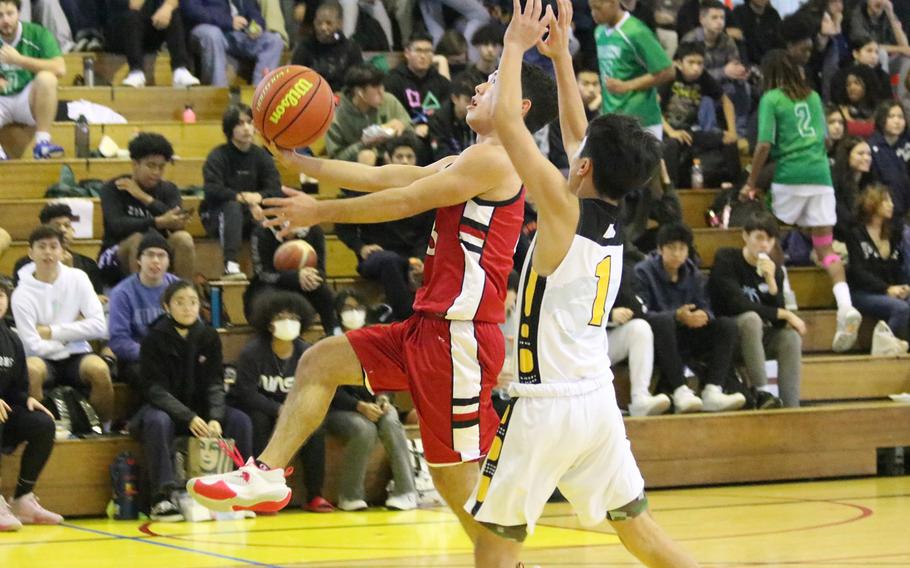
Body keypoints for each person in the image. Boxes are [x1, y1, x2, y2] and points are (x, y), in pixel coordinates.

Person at [188, 46, 558, 545]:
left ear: (520, 105)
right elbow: (393, 176)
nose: (475, 87)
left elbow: (406, 201)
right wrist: (305, 163)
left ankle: (507, 560)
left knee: (455, 480)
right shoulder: (472, 157)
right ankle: (269, 475)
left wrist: (320, 213)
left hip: (461, 339)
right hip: (430, 328)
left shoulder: (499, 160)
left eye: (491, 83)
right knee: (319, 362)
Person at [460, 2, 697, 565]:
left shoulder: (562, 208)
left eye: (582, 154)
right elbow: (576, 133)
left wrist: (515, 47)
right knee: (638, 528)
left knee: (494, 543)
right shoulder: (609, 216)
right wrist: (562, 55)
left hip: (544, 405)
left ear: (585, 168)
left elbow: (513, 127)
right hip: (596, 403)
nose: (577, 150)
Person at [742, 49, 862, 353]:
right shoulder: (812, 97)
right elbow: (825, 139)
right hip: (821, 176)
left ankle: (787, 292)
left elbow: (764, 144)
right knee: (825, 247)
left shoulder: (771, 99)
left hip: (789, 176)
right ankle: (845, 305)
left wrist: (751, 182)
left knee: (774, 234)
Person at [131, 280, 253, 522]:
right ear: (166, 306)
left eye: (193, 302)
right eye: (180, 302)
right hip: (165, 409)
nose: (187, 308)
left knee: (240, 420)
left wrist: (216, 417)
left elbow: (215, 383)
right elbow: (154, 390)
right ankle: (162, 497)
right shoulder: (154, 339)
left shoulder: (208, 335)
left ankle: (243, 491)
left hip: (202, 411)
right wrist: (188, 417)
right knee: (157, 421)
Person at [230, 291, 334, 513]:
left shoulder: (308, 353)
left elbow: (313, 389)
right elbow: (246, 393)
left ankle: (315, 494)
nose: (288, 322)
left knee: (314, 428)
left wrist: (293, 412)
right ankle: (261, 493)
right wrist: (278, 409)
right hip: (261, 408)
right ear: (268, 324)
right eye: (281, 317)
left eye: (294, 318)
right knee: (259, 422)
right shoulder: (252, 352)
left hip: (294, 408)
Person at [636, 222, 748, 412]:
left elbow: (706, 306)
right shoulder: (643, 272)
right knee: (662, 322)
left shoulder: (693, 274)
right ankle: (680, 390)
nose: (677, 254)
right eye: (672, 248)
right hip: (658, 339)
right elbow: (642, 313)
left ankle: (713, 390)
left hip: (688, 334)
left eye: (682, 248)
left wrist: (703, 314)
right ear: (660, 249)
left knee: (727, 325)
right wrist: (677, 316)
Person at [326, 290, 419, 511]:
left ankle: (406, 491)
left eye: (357, 307)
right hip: (338, 409)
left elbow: (388, 376)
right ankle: (350, 495)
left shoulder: (374, 339)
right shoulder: (329, 344)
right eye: (347, 308)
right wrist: (357, 405)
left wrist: (384, 398)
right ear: (338, 314)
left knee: (390, 416)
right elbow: (329, 389)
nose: (353, 312)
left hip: (373, 403)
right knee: (363, 428)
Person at [11, 225, 112, 424]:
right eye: (42, 247)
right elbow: (32, 343)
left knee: (99, 369)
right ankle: (43, 427)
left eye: (53, 246)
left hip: (77, 354)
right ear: (31, 253)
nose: (48, 252)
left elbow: (100, 326)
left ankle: (104, 430)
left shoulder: (78, 278)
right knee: (31, 371)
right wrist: (68, 338)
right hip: (41, 357)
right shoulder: (21, 294)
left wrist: (51, 332)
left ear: (61, 251)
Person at [708, 212, 805, 408]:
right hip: (726, 336)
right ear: (745, 236)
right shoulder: (726, 258)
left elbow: (777, 322)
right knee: (751, 318)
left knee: (790, 338)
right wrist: (784, 314)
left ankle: (791, 407)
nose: (764, 245)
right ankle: (763, 392)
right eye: (759, 237)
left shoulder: (774, 270)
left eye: (769, 239)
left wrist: (772, 285)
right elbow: (737, 304)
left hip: (756, 340)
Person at [0, 276, 62, 531]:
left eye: (1, 296)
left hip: (4, 413)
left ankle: (23, 499)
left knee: (43, 424)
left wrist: (26, 399)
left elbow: (16, 387)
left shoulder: (11, 339)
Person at [97, 133, 195, 286]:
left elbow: (177, 220)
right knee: (138, 239)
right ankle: (139, 298)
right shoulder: (114, 187)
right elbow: (116, 225)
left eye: (161, 167)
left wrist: (145, 198)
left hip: (157, 249)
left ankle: (185, 295)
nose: (156, 172)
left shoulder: (169, 190)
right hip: (116, 252)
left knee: (183, 239)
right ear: (135, 164)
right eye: (151, 166)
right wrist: (157, 222)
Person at [202, 104, 282, 280]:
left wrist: (259, 197)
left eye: (249, 122)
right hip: (219, 215)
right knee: (232, 207)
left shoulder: (262, 156)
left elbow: (275, 189)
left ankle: (272, 268)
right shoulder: (218, 156)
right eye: (239, 123)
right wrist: (245, 199)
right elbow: (212, 190)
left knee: (277, 212)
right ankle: (230, 264)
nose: (246, 128)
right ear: (230, 128)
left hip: (253, 214)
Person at [659, 41, 739, 188]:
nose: (696, 68)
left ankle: (736, 188)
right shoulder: (669, 76)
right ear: (678, 63)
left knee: (728, 141)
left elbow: (727, 102)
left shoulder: (704, 78)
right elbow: (653, 107)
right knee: (672, 145)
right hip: (665, 133)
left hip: (689, 133)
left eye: (700, 63)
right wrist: (671, 132)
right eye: (691, 62)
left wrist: (732, 131)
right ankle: (671, 192)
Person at [591, 0, 674, 140]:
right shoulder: (599, 32)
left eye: (598, 8)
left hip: (641, 121)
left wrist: (627, 86)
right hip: (611, 118)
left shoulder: (636, 31)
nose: (593, 14)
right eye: (591, 8)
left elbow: (667, 70)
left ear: (614, 3)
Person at [107, 231, 180, 387]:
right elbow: (119, 340)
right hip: (138, 360)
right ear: (139, 260)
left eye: (161, 255)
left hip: (175, 356)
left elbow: (195, 328)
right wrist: (153, 354)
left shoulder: (178, 289)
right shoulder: (122, 293)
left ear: (168, 261)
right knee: (153, 376)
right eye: (150, 255)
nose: (155, 261)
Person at [845, 184, 910, 352]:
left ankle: (900, 348)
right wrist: (886, 288)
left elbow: (899, 266)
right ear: (872, 203)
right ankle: (884, 349)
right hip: (862, 292)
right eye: (886, 200)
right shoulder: (856, 234)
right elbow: (858, 272)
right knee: (901, 308)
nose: (892, 205)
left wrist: (902, 286)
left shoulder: (894, 234)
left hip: (889, 290)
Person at [245, 222, 340, 336]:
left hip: (304, 284)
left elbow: (321, 270)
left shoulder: (314, 230)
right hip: (270, 284)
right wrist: (295, 276)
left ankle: (334, 333)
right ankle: (268, 338)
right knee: (269, 299)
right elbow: (262, 273)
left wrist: (311, 276)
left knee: (324, 293)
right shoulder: (262, 231)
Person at [0, 0, 65, 160]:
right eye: (0, 15)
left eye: (10, 14)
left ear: (19, 13)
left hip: (27, 100)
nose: (5, 20)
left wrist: (19, 60)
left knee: (47, 79)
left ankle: (42, 143)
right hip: (2, 100)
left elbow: (60, 68)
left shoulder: (37, 33)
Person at [610, 261, 671, 416]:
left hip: (603, 340)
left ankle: (640, 398)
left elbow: (637, 308)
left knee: (640, 328)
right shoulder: (575, 264)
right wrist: (608, 314)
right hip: (575, 343)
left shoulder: (618, 266)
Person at [680, 0, 750, 136]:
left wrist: (740, 72)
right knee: (707, 96)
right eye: (714, 17)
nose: (720, 22)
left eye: (722, 18)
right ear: (702, 19)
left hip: (723, 87)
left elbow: (734, 64)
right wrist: (724, 72)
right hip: (698, 88)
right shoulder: (690, 40)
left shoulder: (727, 40)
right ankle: (710, 134)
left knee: (743, 87)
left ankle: (740, 132)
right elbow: (693, 75)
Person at [182, 0, 284, 87]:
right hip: (204, 28)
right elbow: (191, 10)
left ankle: (259, 96)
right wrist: (228, 21)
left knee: (274, 41)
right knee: (213, 34)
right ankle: (219, 94)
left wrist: (257, 26)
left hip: (237, 33)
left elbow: (253, 11)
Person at [325, 64, 412, 165]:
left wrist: (402, 125)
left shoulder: (389, 101)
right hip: (356, 166)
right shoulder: (337, 116)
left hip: (390, 157)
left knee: (404, 154)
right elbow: (336, 159)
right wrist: (363, 144)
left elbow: (411, 130)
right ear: (359, 92)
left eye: (382, 85)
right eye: (376, 87)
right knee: (367, 156)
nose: (382, 91)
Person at [11, 203, 104, 297]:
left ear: (73, 230)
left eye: (67, 225)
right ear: (44, 230)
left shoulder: (88, 264)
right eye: (57, 226)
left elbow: (98, 299)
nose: (63, 230)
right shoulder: (25, 264)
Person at [104, 0, 201, 88]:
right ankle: (136, 71)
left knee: (172, 12)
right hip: (120, 34)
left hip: (148, 32)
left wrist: (168, 6)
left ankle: (180, 69)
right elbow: (134, 4)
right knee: (132, 16)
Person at [383, 32, 452, 141]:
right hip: (404, 135)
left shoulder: (442, 83)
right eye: (418, 50)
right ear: (407, 53)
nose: (423, 56)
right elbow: (391, 115)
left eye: (428, 51)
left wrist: (429, 126)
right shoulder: (392, 81)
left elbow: (448, 115)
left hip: (436, 134)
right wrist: (412, 128)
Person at [289, 0, 362, 92]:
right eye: (319, 23)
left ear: (339, 23)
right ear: (314, 22)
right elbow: (295, 81)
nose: (323, 28)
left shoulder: (351, 48)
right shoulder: (304, 48)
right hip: (312, 97)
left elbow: (358, 82)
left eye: (329, 23)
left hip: (343, 99)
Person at [869, 101, 910, 221]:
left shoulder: (907, 143)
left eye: (901, 117)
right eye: (891, 116)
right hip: (884, 213)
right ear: (881, 119)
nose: (897, 121)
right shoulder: (871, 147)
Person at [832, 135, 877, 235]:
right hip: (839, 235)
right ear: (847, 156)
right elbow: (841, 217)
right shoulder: (834, 183)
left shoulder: (870, 184)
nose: (867, 158)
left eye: (869, 154)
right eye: (860, 154)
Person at [831, 63, 885, 139]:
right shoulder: (840, 110)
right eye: (848, 84)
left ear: (868, 84)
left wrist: (850, 122)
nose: (851, 88)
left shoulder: (880, 110)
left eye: (857, 83)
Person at [427, 77, 476, 161]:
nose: (472, 105)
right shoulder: (438, 120)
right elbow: (440, 154)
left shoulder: (477, 116)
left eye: (474, 101)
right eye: (467, 101)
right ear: (454, 99)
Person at [731, 0, 782, 66]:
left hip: (771, 64)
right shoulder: (738, 12)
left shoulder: (773, 14)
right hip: (748, 64)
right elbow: (740, 44)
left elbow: (780, 43)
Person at [455, 22, 505, 90]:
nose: (490, 49)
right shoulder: (465, 77)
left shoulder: (504, 77)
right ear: (477, 45)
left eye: (494, 45)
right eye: (485, 44)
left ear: (502, 48)